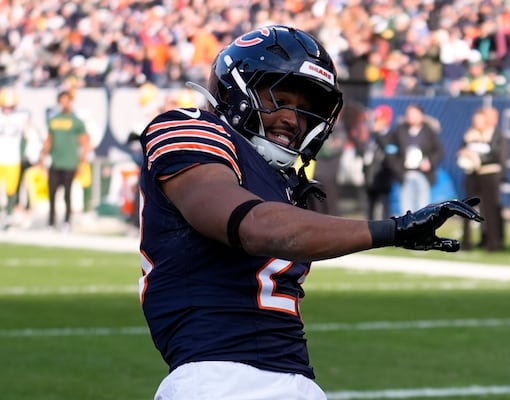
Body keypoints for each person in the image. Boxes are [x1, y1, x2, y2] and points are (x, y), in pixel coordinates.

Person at [137, 25, 482, 400]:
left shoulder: (282, 179)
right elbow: (253, 225)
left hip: (293, 377)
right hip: (219, 378)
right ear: (237, 88)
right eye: (279, 99)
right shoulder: (191, 127)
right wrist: (393, 230)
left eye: (306, 109)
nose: (293, 118)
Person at [38, 90, 90, 231]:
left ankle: (66, 221)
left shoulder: (76, 121)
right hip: (55, 162)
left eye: (67, 100)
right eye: (62, 100)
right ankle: (51, 222)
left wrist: (82, 162)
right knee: (52, 193)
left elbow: (85, 142)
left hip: (70, 162)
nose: (64, 103)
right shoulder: (54, 120)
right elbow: (49, 141)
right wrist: (42, 158)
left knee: (67, 194)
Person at [456, 107, 506, 251]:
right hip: (472, 174)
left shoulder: (494, 134)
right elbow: (461, 150)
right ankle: (466, 242)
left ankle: (493, 243)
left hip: (488, 174)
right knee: (466, 207)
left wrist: (477, 158)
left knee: (490, 209)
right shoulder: (469, 134)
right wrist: (464, 156)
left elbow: (495, 154)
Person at [388, 103, 443, 215]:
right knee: (406, 210)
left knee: (422, 210)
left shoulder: (429, 132)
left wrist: (429, 163)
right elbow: (392, 151)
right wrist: (398, 168)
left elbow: (439, 152)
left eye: (414, 114)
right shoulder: (399, 131)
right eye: (409, 114)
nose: (411, 117)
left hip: (423, 175)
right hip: (405, 174)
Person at [0, 87, 35, 229]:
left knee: (11, 190)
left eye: (10, 106)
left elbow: (31, 135)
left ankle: (8, 215)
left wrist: (32, 154)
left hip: (13, 159)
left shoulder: (22, 117)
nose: (8, 109)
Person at [363, 104, 395, 219]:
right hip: (371, 175)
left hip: (383, 176)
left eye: (379, 120)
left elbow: (390, 153)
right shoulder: (372, 136)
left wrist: (379, 134)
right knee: (370, 206)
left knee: (383, 206)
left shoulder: (391, 136)